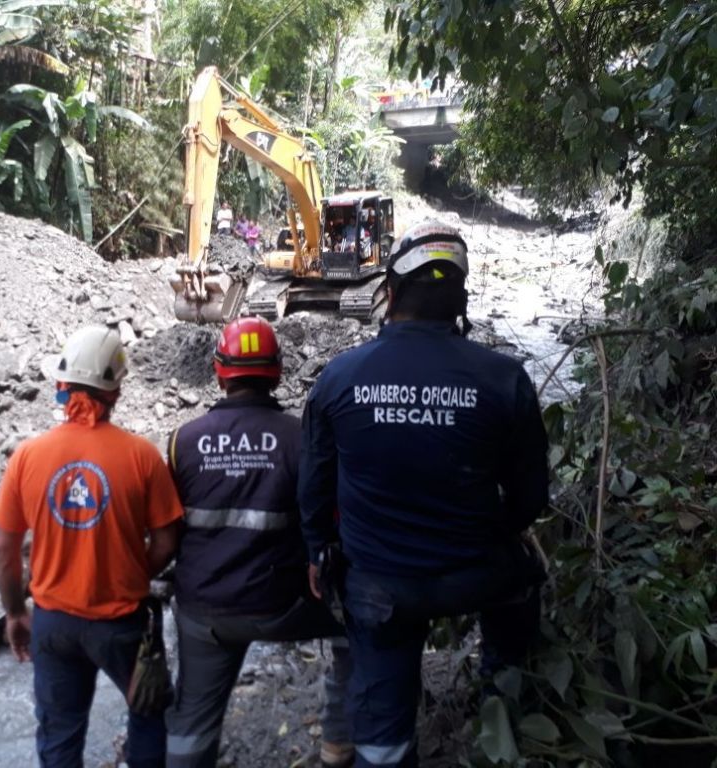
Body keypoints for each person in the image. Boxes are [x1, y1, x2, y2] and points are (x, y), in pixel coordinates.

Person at [298, 220, 549, 768]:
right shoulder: (504, 379)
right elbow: (531, 496)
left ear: (389, 293)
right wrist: (492, 533)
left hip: (378, 586)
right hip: (477, 571)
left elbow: (314, 490)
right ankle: (504, 708)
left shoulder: (339, 379)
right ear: (461, 298)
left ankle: (384, 748)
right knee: (525, 578)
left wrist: (318, 552)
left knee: (381, 729)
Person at [0, 324, 184, 768]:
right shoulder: (141, 456)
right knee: (147, 713)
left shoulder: (27, 456)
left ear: (62, 384)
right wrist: (131, 573)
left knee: (59, 735)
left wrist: (16, 612)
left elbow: (3, 548)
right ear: (116, 390)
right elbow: (167, 540)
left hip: (53, 623)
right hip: (121, 623)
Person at [165, 317, 353, 768]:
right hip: (282, 604)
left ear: (219, 373)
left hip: (204, 610)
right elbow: (331, 522)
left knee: (192, 719)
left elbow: (166, 533)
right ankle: (339, 743)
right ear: (278, 372)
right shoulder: (300, 439)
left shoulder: (181, 442)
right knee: (358, 625)